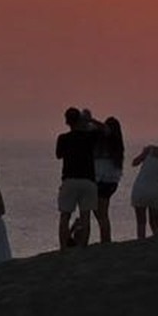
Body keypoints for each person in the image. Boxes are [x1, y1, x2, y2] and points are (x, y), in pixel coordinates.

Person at [56, 106, 99, 249]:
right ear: (80, 120)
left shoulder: (63, 138)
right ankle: (83, 246)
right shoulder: (90, 136)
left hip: (70, 179)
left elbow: (58, 155)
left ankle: (63, 247)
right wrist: (90, 121)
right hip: (88, 180)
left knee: (65, 215)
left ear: (67, 121)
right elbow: (106, 130)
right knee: (86, 216)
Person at [93, 116, 125, 243]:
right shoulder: (115, 143)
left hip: (102, 180)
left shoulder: (111, 140)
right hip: (110, 181)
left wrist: (92, 120)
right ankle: (105, 238)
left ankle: (106, 240)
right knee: (101, 212)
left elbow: (105, 130)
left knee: (101, 214)